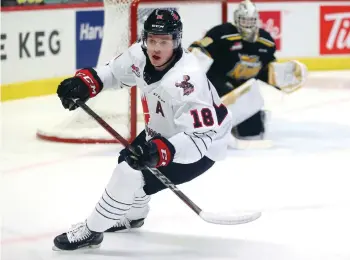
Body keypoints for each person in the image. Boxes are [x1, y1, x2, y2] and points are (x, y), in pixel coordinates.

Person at [52, 9, 232, 251]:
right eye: (152, 40)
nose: (156, 48)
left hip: (204, 145)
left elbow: (199, 139)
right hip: (162, 129)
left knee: (128, 173)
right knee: (127, 159)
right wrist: (85, 84)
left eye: (164, 42)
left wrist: (161, 152)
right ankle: (134, 216)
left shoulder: (188, 81)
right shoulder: (140, 53)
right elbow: (114, 73)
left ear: (177, 42)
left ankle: (92, 230)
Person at [189, 0, 307, 142]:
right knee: (211, 133)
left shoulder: (266, 41)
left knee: (251, 133)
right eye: (244, 20)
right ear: (236, 19)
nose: (248, 24)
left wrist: (280, 78)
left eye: (251, 20)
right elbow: (199, 50)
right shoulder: (221, 33)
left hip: (244, 90)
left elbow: (265, 70)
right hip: (216, 84)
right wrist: (192, 72)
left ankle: (248, 118)